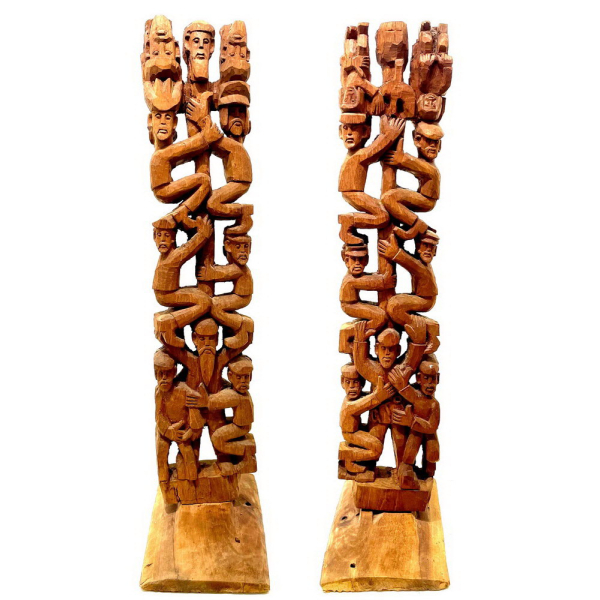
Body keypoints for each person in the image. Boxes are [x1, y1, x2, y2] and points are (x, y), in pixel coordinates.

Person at [338, 114, 405, 245]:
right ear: (340, 132)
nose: (349, 133)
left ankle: (350, 222)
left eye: (354, 129)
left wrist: (384, 137)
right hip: (353, 193)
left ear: (365, 132)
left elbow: (375, 152)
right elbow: (374, 151)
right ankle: (348, 221)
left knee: (384, 210)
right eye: (345, 128)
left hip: (355, 193)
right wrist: (390, 135)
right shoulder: (358, 155)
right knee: (383, 217)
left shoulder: (358, 154)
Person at [152, 214, 213, 347]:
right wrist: (203, 235)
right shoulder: (172, 256)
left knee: (199, 294)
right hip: (166, 295)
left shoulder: (168, 255)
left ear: (173, 239)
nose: (162, 240)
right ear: (154, 238)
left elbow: (186, 248)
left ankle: (167, 316)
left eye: (167, 236)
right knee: (205, 302)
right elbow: (187, 249)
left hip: (169, 292)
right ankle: (169, 323)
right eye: (159, 235)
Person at [381, 121, 444, 240]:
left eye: (436, 142)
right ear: (417, 140)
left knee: (389, 198)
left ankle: (417, 224)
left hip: (426, 200)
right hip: (421, 197)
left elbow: (413, 164)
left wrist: (401, 159)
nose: (432, 145)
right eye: (428, 141)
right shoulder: (425, 163)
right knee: (391, 195)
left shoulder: (431, 169)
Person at [154, 349, 205, 494]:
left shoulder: (183, 390)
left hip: (184, 431)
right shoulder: (159, 392)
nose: (164, 378)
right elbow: (159, 415)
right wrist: (168, 431)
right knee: (161, 453)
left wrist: (190, 430)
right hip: (166, 430)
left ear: (174, 372)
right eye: (160, 374)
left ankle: (192, 488)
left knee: (188, 456)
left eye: (168, 373)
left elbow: (198, 405)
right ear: (155, 374)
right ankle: (165, 486)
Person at [198, 356, 256, 475]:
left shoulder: (235, 395)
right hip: (238, 423)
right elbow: (224, 392)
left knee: (217, 439)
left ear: (251, 377)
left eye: (246, 377)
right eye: (239, 377)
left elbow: (215, 401)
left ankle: (246, 452)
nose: (243, 381)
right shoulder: (235, 391)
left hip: (240, 427)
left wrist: (205, 400)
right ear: (230, 376)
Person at [392, 355, 441, 486]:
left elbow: (432, 426)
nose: (430, 383)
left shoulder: (434, 404)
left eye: (433, 379)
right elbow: (404, 390)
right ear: (419, 379)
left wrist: (412, 421)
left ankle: (428, 476)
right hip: (415, 433)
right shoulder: (416, 396)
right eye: (426, 378)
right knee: (409, 454)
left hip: (428, 434)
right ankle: (407, 473)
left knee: (431, 455)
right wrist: (399, 382)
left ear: (438, 379)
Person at [339, 368, 395, 481]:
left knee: (375, 437)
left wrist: (377, 394)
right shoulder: (349, 405)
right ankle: (349, 458)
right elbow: (365, 403)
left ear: (362, 384)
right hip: (350, 433)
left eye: (355, 382)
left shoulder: (356, 397)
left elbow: (367, 398)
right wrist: (378, 396)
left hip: (358, 428)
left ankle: (359, 460)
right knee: (377, 449)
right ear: (342, 382)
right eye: (348, 382)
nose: (352, 387)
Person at [198, 233, 253, 349]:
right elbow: (225, 271)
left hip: (242, 297)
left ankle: (242, 325)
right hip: (237, 296)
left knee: (213, 306)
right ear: (228, 246)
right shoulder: (235, 266)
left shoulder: (238, 268)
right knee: (212, 304)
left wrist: (210, 273)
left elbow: (224, 273)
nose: (243, 251)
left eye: (246, 246)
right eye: (238, 247)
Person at [377, 230, 438, 329]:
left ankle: (415, 325)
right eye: (425, 245)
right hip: (420, 298)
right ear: (418, 246)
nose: (428, 250)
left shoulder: (422, 267)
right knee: (394, 303)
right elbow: (411, 260)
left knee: (394, 306)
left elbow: (412, 264)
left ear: (435, 251)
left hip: (426, 300)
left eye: (432, 247)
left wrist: (395, 253)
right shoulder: (420, 261)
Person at [340, 240, 395, 335]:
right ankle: (360, 331)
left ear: (366, 260)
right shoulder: (350, 280)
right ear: (346, 261)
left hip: (356, 303)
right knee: (381, 316)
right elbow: (371, 283)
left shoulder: (358, 276)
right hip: (350, 306)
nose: (357, 263)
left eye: (361, 259)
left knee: (381, 309)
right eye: (354, 259)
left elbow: (367, 278)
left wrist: (379, 276)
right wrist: (384, 281)